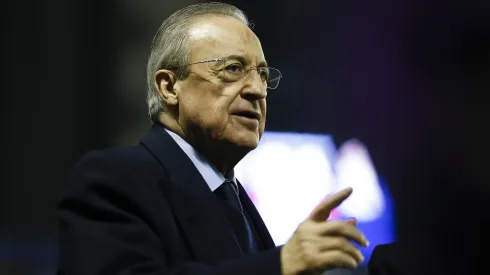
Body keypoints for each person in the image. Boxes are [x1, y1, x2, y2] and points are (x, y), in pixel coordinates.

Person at [56, 2, 369, 275]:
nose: (257, 90)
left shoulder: (235, 199)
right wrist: (279, 265)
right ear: (169, 86)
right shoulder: (113, 180)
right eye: (233, 69)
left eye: (262, 74)